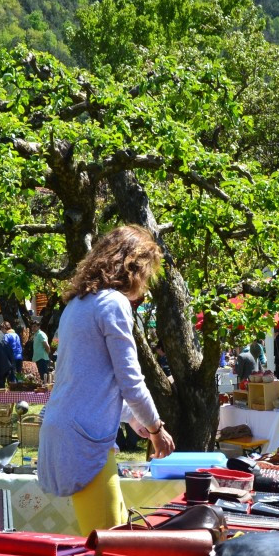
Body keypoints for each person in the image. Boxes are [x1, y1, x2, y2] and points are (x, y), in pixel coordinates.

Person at [38, 225, 175, 534]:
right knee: (110, 546)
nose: (146, 286)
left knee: (109, 536)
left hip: (65, 431)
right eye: (147, 273)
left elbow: (89, 382)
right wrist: (155, 429)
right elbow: (131, 381)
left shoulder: (78, 304)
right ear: (133, 266)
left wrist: (133, 419)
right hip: (84, 439)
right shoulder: (113, 303)